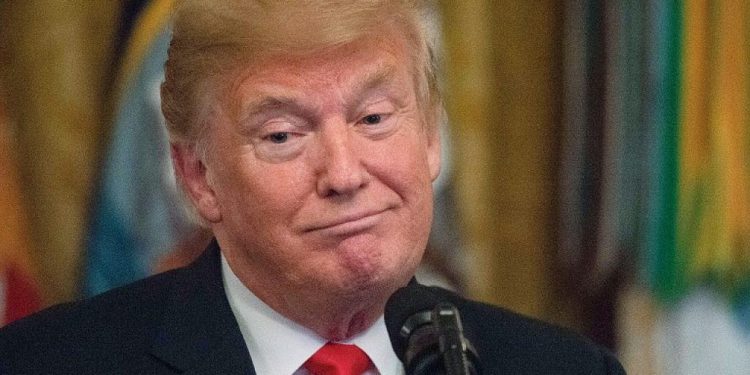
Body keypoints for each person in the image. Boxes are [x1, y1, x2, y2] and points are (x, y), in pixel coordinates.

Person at [0, 1, 626, 374]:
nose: (345, 175)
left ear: (432, 136)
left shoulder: (565, 370)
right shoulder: (45, 365)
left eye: (374, 119)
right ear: (198, 176)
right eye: (282, 135)